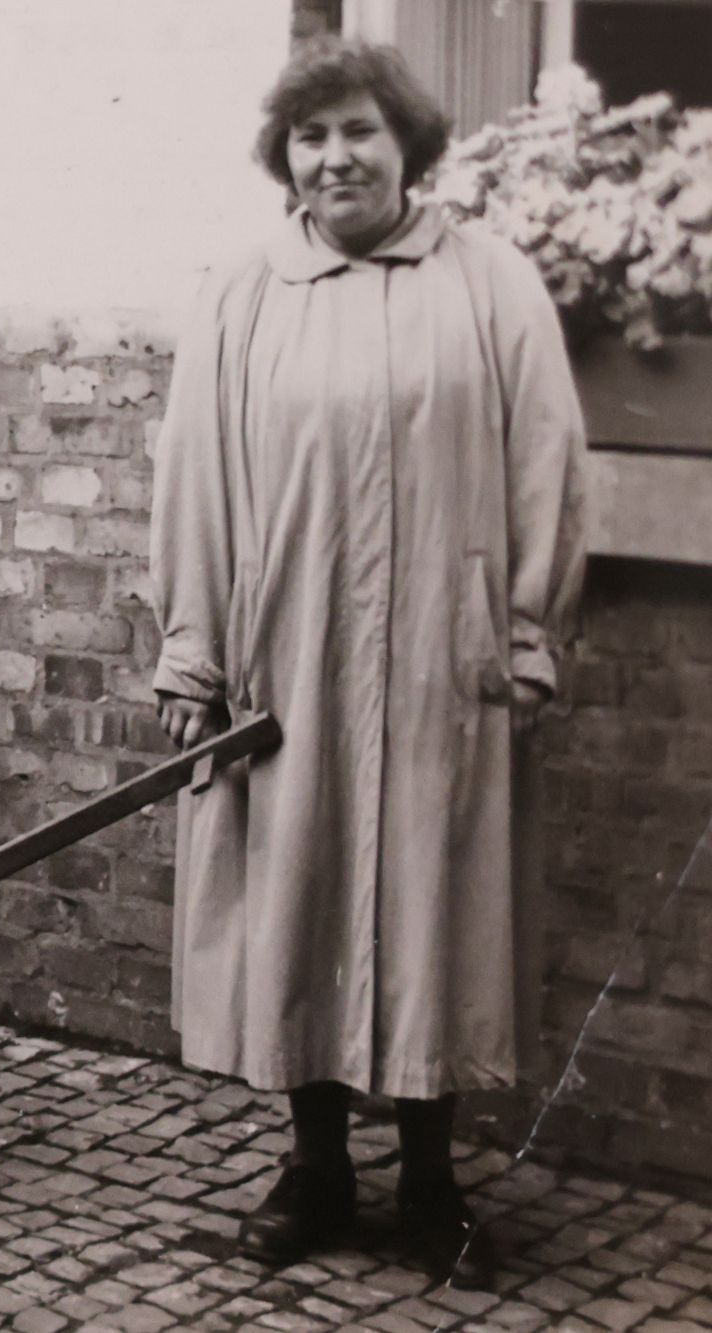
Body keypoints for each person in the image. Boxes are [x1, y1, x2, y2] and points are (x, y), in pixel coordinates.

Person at [150, 40, 586, 1288]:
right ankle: (315, 1168)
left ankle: (434, 1184)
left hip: (440, 670)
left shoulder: (489, 284)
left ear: (406, 146)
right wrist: (193, 653)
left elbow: (544, 464)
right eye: (308, 137)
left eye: (355, 132)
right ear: (280, 157)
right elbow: (191, 481)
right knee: (298, 908)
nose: (331, 157)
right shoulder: (242, 294)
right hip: (283, 668)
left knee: (430, 913)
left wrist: (521, 631)